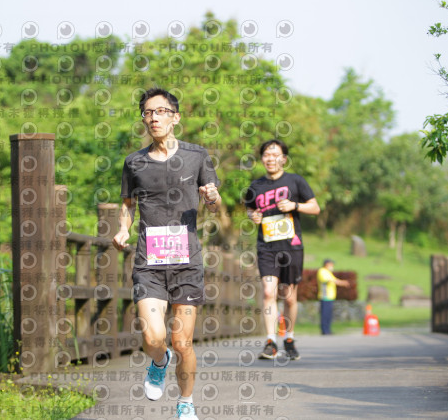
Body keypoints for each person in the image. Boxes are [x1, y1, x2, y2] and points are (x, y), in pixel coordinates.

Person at [112, 88, 221, 420]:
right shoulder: (134, 162)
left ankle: (186, 402)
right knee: (153, 336)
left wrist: (212, 196)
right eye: (148, 112)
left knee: (182, 341)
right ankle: (159, 362)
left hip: (187, 263)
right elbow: (127, 204)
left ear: (176, 117)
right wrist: (123, 229)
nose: (154, 118)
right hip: (149, 263)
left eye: (161, 111)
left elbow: (215, 204)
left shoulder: (197, 155)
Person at [244, 139, 320, 360]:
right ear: (262, 159)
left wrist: (295, 205)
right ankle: (270, 341)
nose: (270, 159)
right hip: (266, 246)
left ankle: (289, 338)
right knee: (269, 292)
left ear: (284, 159)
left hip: (291, 246)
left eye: (275, 155)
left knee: (288, 297)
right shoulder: (255, 186)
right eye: (267, 155)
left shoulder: (295, 181)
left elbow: (315, 207)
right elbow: (250, 209)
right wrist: (253, 216)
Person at [317, 259, 350, 335]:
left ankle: (328, 330)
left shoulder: (328, 272)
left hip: (330, 297)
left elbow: (334, 280)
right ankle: (325, 330)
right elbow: (330, 280)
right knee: (325, 314)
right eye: (331, 264)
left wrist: (342, 282)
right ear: (327, 264)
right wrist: (342, 282)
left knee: (328, 315)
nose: (332, 266)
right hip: (325, 296)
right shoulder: (322, 271)